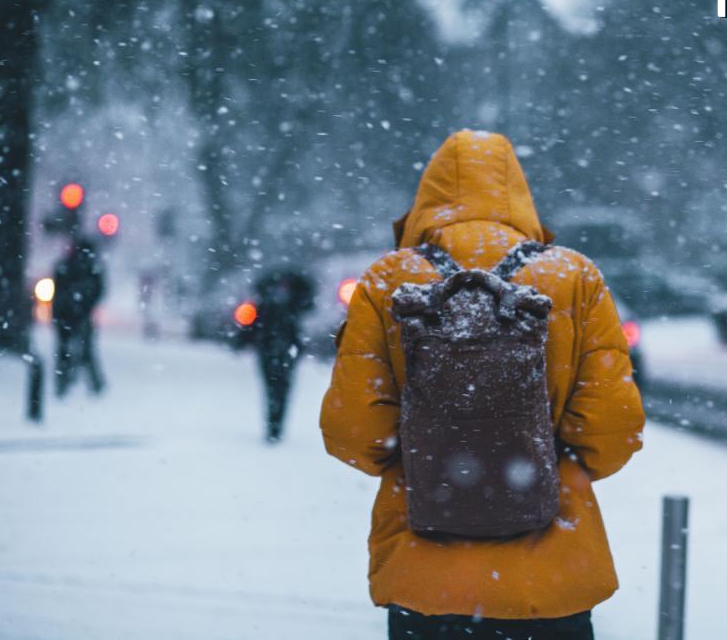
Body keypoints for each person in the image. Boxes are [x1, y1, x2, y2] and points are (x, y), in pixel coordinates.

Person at [320, 130, 646, 639]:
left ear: (427, 199)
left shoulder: (388, 281)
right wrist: (540, 465)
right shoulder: (574, 277)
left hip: (424, 582)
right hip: (551, 582)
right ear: (519, 194)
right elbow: (613, 430)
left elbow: (352, 432)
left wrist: (431, 459)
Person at [235, 268, 313, 443]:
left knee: (276, 388)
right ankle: (275, 425)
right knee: (277, 388)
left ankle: (274, 425)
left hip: (275, 349)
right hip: (277, 349)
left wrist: (242, 341)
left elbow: (251, 325)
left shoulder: (273, 303)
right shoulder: (286, 304)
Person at [52, 237, 106, 397]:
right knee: (85, 350)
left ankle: (63, 383)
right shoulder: (91, 268)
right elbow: (98, 291)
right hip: (78, 314)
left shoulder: (66, 265)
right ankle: (93, 384)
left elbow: (59, 287)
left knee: (65, 350)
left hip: (65, 314)